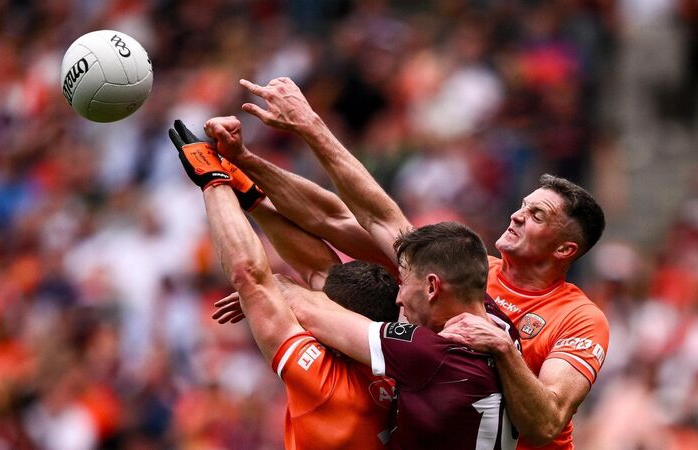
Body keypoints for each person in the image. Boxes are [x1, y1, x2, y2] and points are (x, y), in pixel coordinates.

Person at [217, 76, 608, 449]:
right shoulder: (471, 275)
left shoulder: (578, 318)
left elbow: (546, 425)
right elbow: (351, 219)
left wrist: (504, 351)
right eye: (523, 206)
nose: (517, 215)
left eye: (537, 215)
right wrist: (251, 160)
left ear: (564, 250)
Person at [167, 119, 401, 450]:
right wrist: (247, 193)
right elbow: (319, 269)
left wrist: (213, 180)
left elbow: (249, 277)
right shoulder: (409, 358)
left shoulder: (325, 386)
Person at [276, 221, 519, 450]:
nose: (398, 298)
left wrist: (276, 284)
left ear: (432, 286)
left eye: (403, 282)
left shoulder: (429, 353)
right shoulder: (502, 325)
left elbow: (311, 311)